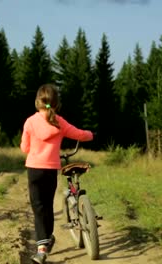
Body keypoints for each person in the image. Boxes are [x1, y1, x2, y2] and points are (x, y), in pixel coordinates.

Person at [20, 83, 94, 264]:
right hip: (51, 169)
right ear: (56, 103)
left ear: (38, 101)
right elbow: (79, 134)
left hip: (34, 170)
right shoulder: (59, 122)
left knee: (38, 209)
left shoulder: (30, 122)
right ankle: (49, 237)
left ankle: (42, 248)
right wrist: (90, 134)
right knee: (47, 206)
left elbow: (25, 148)